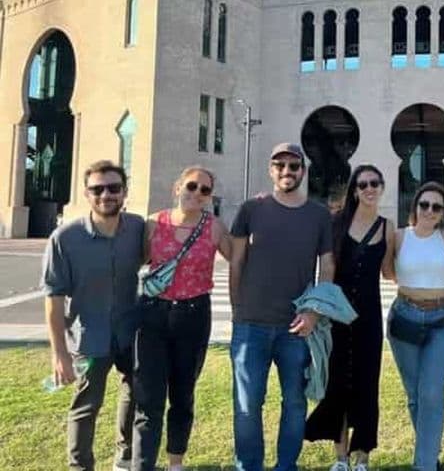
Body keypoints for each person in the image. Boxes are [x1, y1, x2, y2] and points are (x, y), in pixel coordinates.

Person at [229, 142, 335, 471]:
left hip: (297, 327)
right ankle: (249, 466)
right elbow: (236, 261)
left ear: (303, 170)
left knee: (294, 402)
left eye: (294, 165)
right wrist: (238, 310)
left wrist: (315, 311)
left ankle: (286, 465)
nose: (287, 171)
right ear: (270, 170)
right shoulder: (251, 209)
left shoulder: (318, 215)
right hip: (251, 325)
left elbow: (327, 266)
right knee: (247, 405)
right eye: (280, 165)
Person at [42, 160, 144, 471]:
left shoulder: (139, 228)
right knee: (85, 407)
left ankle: (124, 460)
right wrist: (59, 353)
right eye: (97, 189)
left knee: (134, 397)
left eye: (113, 188)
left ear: (124, 192)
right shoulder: (64, 238)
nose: (106, 195)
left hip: (131, 334)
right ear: (86, 194)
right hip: (89, 338)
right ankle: (80, 466)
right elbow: (54, 299)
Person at [132, 166, 232, 471]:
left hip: (193, 315)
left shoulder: (215, 227)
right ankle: (143, 464)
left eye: (205, 190)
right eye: (192, 186)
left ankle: (176, 463)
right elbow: (131, 263)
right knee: (148, 396)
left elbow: (242, 261)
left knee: (183, 393)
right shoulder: (153, 224)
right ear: (178, 188)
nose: (197, 194)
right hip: (152, 315)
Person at [305, 165, 395, 471]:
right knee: (338, 384)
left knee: (367, 385)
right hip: (338, 317)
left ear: (381, 187)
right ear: (355, 191)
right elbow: (325, 267)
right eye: (363, 184)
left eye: (374, 183)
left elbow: (389, 271)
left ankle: (362, 457)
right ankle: (341, 457)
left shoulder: (388, 227)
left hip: (369, 318)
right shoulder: (337, 224)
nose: (369, 189)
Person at [386, 181, 444, 471]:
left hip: (443, 321)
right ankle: (430, 456)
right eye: (424, 204)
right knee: (415, 395)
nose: (429, 210)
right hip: (405, 317)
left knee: (432, 393)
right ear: (415, 207)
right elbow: (387, 270)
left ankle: (424, 465)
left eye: (436, 207)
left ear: (442, 213)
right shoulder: (399, 237)